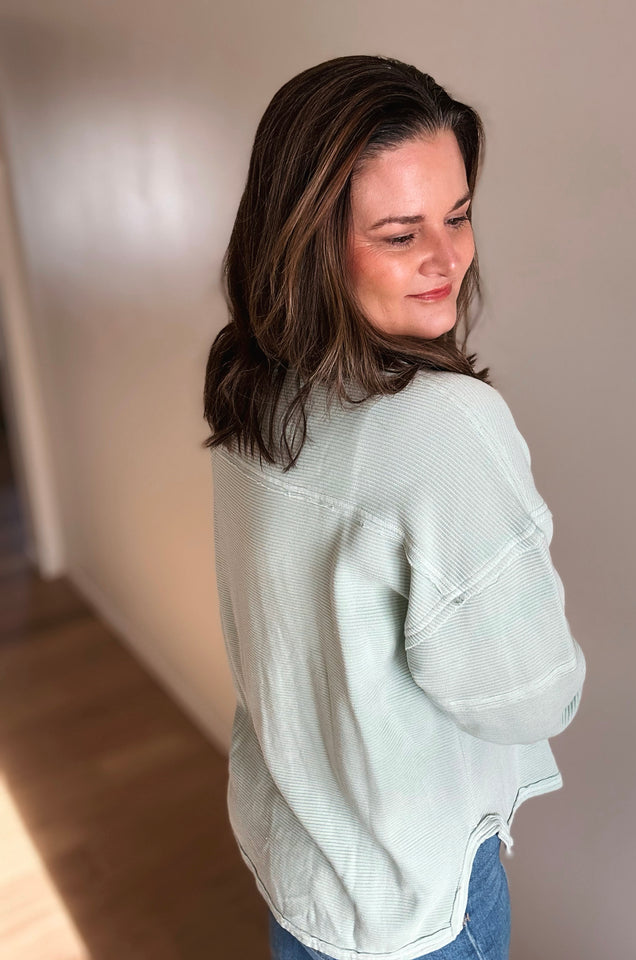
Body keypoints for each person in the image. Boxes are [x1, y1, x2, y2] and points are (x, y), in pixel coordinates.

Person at [203, 55, 587, 960]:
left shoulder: (254, 384)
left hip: (304, 871)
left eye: (457, 216)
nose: (448, 258)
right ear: (308, 241)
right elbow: (534, 695)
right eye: (399, 232)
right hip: (413, 911)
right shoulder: (446, 425)